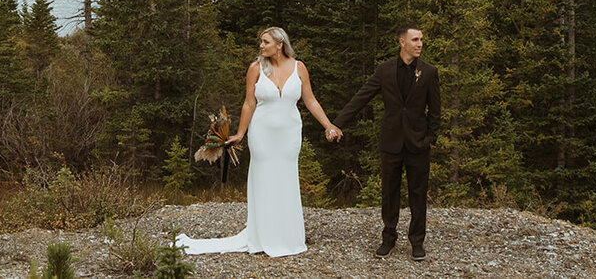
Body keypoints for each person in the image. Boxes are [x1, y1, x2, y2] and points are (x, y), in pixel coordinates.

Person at [176, 26, 342, 257]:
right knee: (264, 180)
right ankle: (263, 235)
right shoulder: (255, 69)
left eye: (265, 42)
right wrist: (241, 133)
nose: (261, 46)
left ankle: (288, 236)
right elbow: (249, 103)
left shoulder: (299, 67)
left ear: (279, 44)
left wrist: (328, 125)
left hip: (290, 134)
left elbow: (310, 100)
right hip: (262, 133)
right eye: (261, 42)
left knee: (286, 179)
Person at [333, 25, 440, 261]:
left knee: (418, 193)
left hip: (418, 143)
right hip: (391, 141)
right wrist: (337, 124)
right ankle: (388, 238)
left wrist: (431, 139)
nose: (420, 43)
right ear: (402, 42)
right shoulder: (385, 70)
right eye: (415, 39)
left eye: (421, 39)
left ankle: (417, 241)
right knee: (389, 192)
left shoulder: (429, 72)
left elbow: (435, 110)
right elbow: (362, 96)